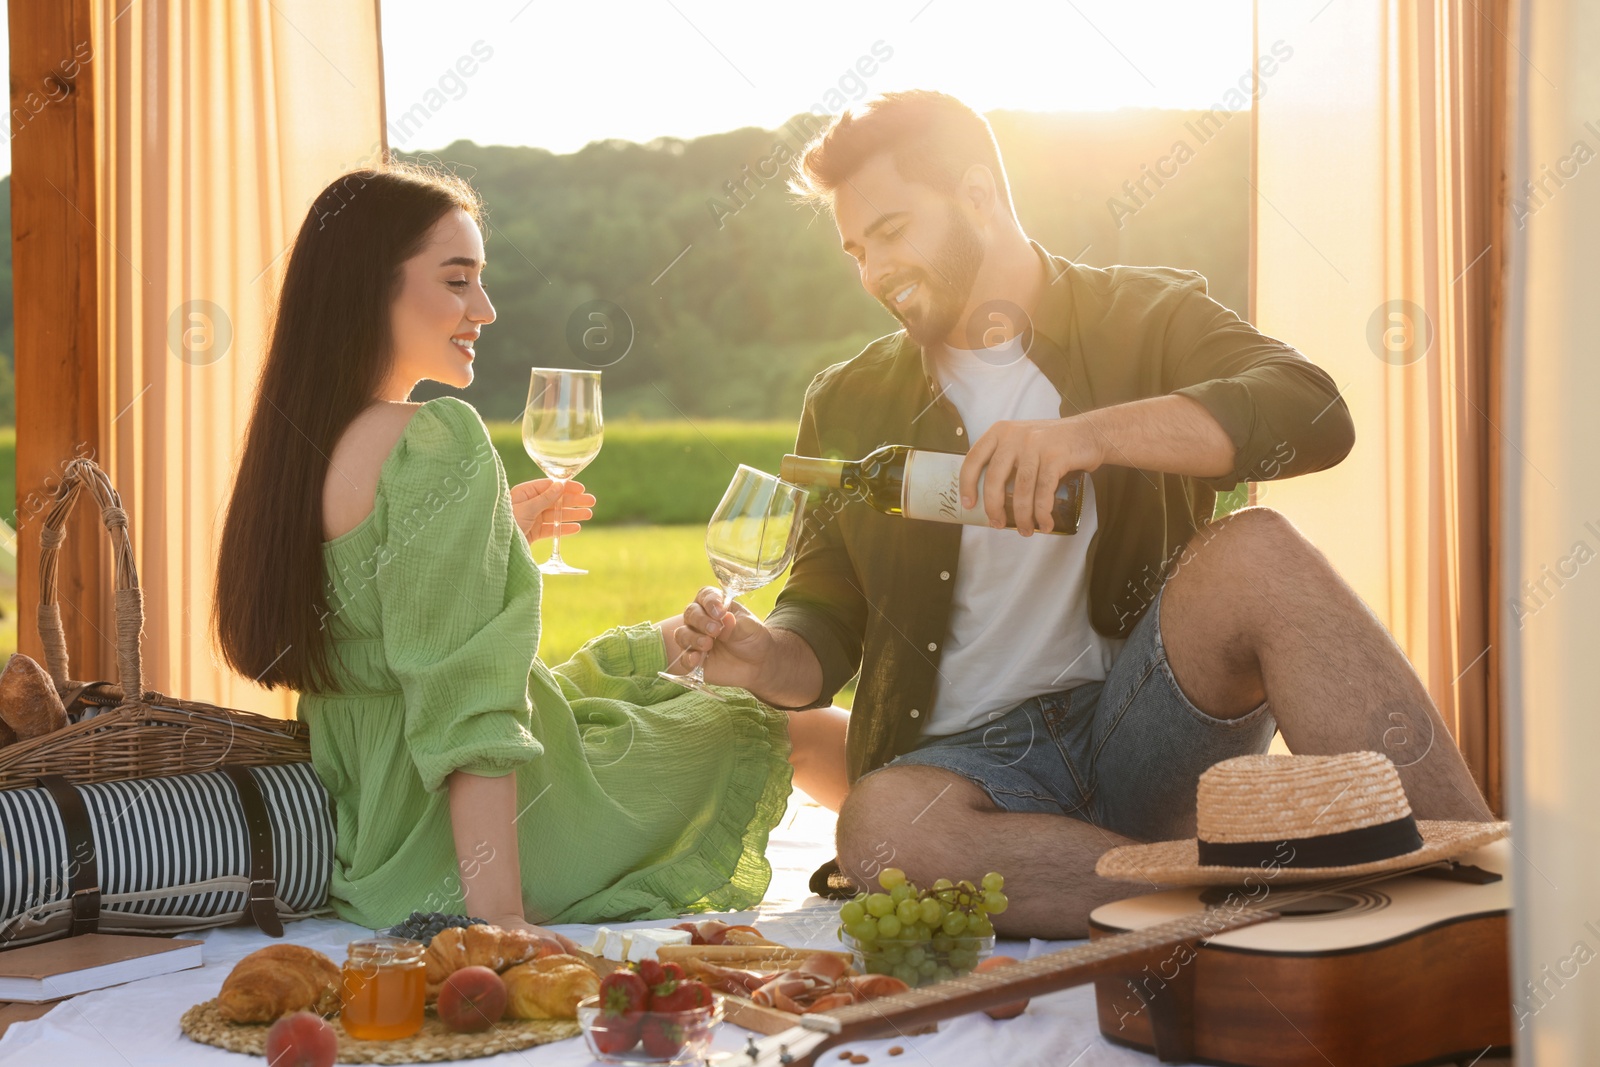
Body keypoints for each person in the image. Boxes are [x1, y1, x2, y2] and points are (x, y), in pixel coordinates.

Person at [670, 90, 1497, 937]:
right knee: (879, 830)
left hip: (1145, 725)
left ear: (978, 195)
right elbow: (825, 616)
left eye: (890, 231)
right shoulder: (848, 398)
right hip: (965, 773)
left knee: (1256, 547)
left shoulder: (1148, 315)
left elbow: (1315, 414)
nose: (874, 271)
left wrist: (1093, 436)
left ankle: (1484, 891)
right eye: (855, 250)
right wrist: (766, 655)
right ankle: (1248, 902)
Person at [212, 162, 836, 939]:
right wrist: (498, 914)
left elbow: (387, 627)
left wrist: (491, 535)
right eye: (457, 280)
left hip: (380, 843)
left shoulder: (295, 451)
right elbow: (471, 709)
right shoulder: (437, 440)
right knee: (785, 725)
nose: (487, 308)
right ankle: (945, 867)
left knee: (649, 673)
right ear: (369, 286)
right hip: (483, 843)